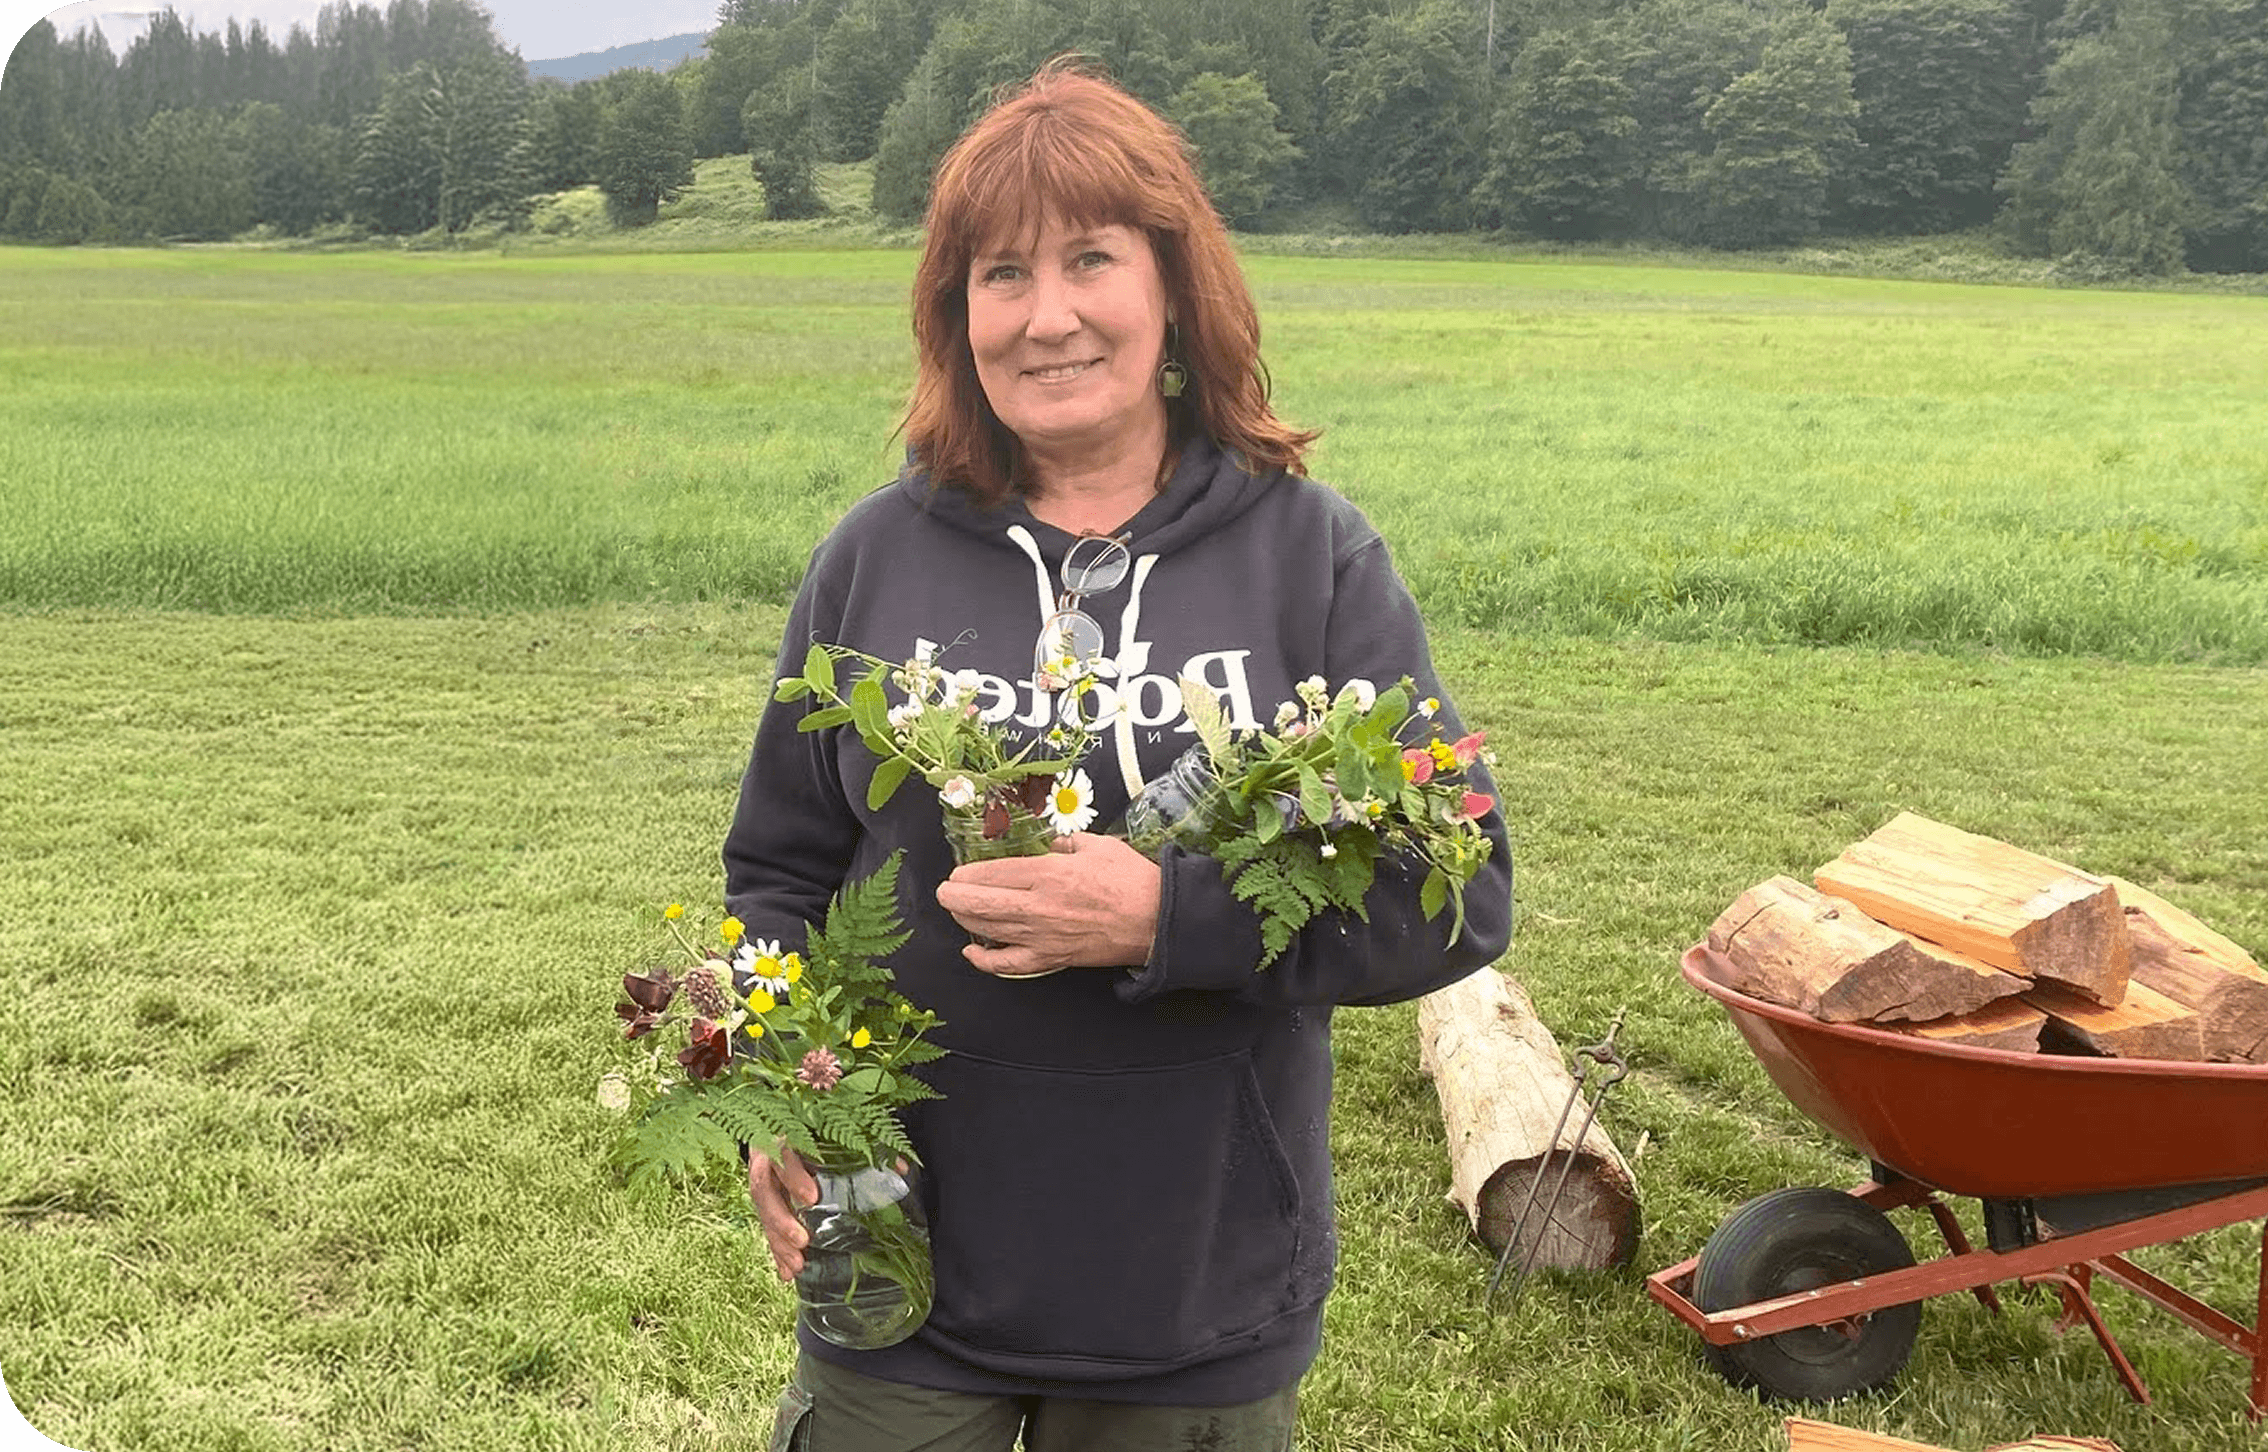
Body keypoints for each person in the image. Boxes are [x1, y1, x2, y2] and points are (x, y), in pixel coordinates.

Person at [721, 56, 1514, 1452]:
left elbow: (1459, 891)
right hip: (898, 1258)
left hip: (1189, 1290)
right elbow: (779, 866)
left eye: (1091, 258)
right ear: (955, 316)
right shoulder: (874, 556)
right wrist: (774, 1087)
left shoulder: (1307, 556)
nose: (1048, 316)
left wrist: (1169, 917)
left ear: (1170, 294)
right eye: (1001, 273)